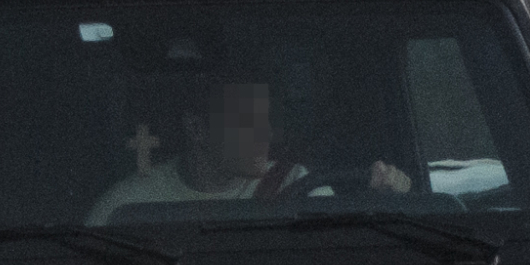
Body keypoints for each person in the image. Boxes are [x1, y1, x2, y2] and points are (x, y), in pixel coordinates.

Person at [87, 76, 409, 224]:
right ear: (198, 129)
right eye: (247, 120)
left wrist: (387, 203)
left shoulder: (296, 184)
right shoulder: (126, 207)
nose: (265, 132)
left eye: (265, 119)